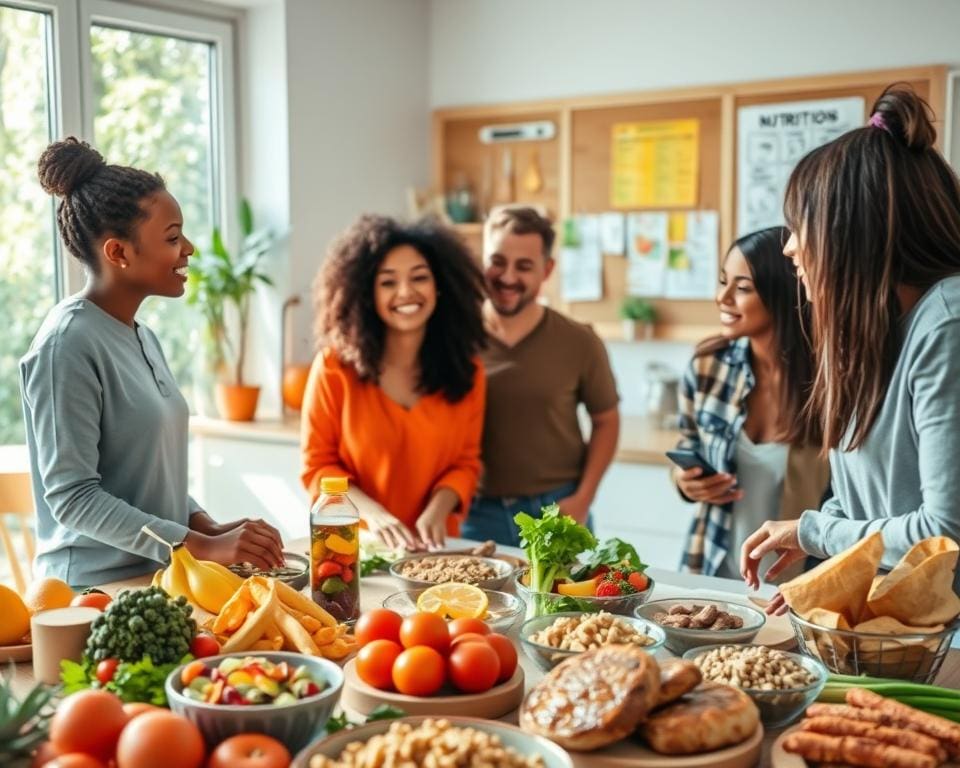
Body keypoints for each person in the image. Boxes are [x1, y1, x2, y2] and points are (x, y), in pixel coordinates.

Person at [21, 137, 284, 587]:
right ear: (118, 253)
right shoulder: (66, 346)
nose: (189, 248)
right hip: (92, 592)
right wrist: (201, 547)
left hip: (160, 576)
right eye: (173, 237)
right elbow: (72, 498)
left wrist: (205, 526)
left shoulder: (143, 336)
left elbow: (144, 474)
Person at [741, 86, 960, 605]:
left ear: (852, 232)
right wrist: (829, 561)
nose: (789, 247)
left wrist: (815, 533)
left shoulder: (947, 325)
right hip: (897, 625)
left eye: (801, 227)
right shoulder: (874, 332)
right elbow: (867, 497)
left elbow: (944, 533)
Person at [301, 214, 486, 552]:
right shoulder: (333, 369)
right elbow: (318, 467)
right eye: (387, 282)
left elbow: (465, 463)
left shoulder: (468, 372)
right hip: (353, 548)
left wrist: (437, 510)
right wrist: (373, 516)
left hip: (435, 550)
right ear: (366, 293)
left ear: (440, 285)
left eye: (420, 277)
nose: (405, 292)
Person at [674, 227, 828, 579]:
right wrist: (683, 481)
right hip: (710, 571)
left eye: (742, 288)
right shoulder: (707, 366)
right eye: (723, 282)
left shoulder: (829, 382)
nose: (722, 298)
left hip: (799, 584)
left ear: (783, 291)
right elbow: (688, 444)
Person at [461, 206, 620, 547]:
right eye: (497, 261)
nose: (507, 277)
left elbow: (606, 420)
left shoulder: (579, 341)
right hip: (472, 515)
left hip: (558, 510)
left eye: (524, 266)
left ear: (547, 270)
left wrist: (584, 498)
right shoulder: (453, 339)